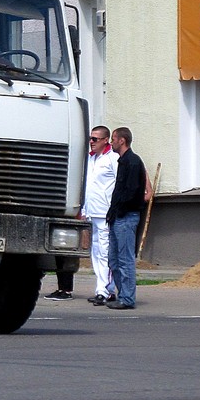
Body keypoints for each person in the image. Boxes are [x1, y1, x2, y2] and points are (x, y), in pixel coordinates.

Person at [105, 126, 147, 310]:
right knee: (113, 259)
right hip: (117, 217)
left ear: (122, 140)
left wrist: (119, 209)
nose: (111, 142)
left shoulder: (133, 162)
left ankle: (128, 298)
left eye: (113, 139)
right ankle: (122, 294)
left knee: (125, 259)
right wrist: (112, 213)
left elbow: (130, 192)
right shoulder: (123, 161)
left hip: (126, 217)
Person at [82, 126, 118, 306]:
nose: (92, 142)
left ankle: (105, 290)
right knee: (95, 252)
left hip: (105, 212)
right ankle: (102, 288)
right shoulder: (90, 159)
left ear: (106, 140)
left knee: (104, 251)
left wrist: (114, 208)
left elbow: (119, 184)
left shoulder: (113, 158)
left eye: (95, 139)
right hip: (91, 211)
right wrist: (83, 210)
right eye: (91, 138)